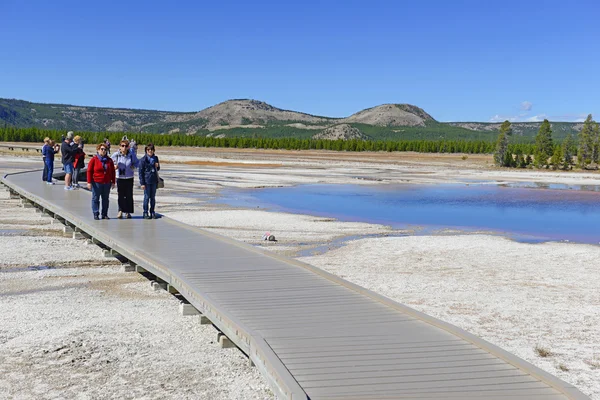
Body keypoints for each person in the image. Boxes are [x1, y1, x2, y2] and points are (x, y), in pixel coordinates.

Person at [87, 143, 116, 220]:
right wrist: (89, 182)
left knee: (105, 199)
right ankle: (96, 213)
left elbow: (112, 171)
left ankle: (104, 214)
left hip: (106, 182)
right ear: (98, 150)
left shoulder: (109, 160)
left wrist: (113, 182)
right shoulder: (94, 160)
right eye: (102, 149)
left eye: (105, 149)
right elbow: (89, 171)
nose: (103, 151)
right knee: (95, 198)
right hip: (96, 182)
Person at [111, 139, 139, 219]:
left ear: (128, 147)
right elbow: (110, 162)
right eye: (122, 146)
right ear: (120, 146)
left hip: (129, 177)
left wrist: (133, 167)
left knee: (129, 195)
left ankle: (128, 212)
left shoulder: (131, 155)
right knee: (121, 195)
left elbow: (137, 162)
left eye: (126, 146)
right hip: (120, 177)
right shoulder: (116, 155)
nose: (124, 148)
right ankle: (120, 210)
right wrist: (114, 166)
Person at [138, 143, 160, 219]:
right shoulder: (143, 160)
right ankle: (145, 212)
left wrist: (157, 166)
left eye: (151, 149)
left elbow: (158, 168)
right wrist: (142, 183)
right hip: (147, 181)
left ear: (154, 150)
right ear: (146, 151)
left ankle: (152, 211)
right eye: (148, 150)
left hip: (154, 180)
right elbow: (140, 173)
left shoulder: (156, 158)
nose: (150, 151)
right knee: (146, 197)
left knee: (153, 197)